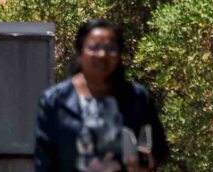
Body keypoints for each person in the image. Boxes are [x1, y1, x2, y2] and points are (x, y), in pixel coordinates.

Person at [34, 18, 168, 172]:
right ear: (80, 51)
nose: (102, 55)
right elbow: (44, 162)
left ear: (119, 55)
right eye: (94, 47)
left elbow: (158, 149)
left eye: (111, 48)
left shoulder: (137, 97)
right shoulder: (54, 100)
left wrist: (146, 162)